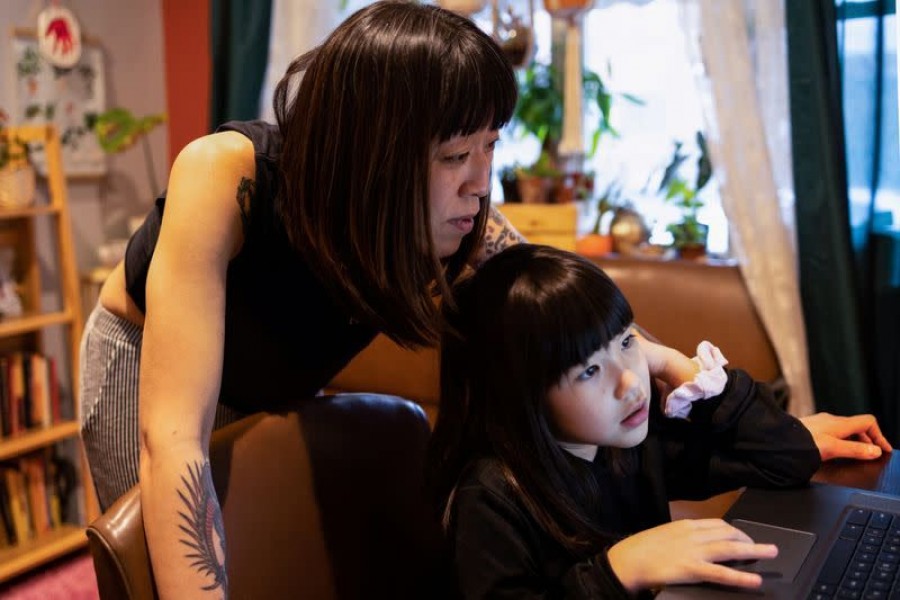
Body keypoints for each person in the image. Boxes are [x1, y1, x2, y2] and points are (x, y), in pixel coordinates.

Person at [78, 2, 524, 597]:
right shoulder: (226, 175)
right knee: (165, 573)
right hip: (147, 364)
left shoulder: (450, 214)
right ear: (374, 150)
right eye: (453, 156)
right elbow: (175, 440)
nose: (480, 182)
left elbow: (544, 286)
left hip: (275, 374)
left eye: (489, 146)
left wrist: (655, 359)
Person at [428, 244, 893, 599]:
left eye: (627, 343)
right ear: (521, 397)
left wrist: (676, 365)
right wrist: (617, 571)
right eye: (589, 370)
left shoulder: (627, 442)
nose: (630, 382)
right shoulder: (489, 499)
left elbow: (784, 461)